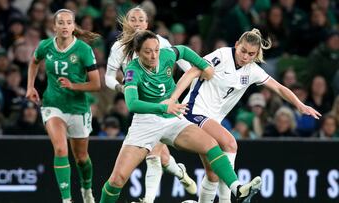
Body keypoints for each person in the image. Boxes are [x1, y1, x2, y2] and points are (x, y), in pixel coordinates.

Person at [99, 29, 262, 203]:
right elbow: (132, 104)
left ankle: (237, 188)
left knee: (211, 144)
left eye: (156, 50)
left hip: (173, 119)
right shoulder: (133, 70)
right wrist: (162, 107)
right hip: (146, 123)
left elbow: (183, 50)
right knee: (117, 180)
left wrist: (203, 65)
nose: (154, 55)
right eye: (148, 51)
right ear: (138, 53)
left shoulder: (166, 55)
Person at [169, 28, 321, 203]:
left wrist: (300, 105)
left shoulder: (252, 70)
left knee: (213, 174)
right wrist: (174, 99)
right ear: (236, 45)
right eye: (243, 51)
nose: (245, 57)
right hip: (194, 111)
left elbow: (279, 87)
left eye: (251, 54)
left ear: (255, 55)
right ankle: (230, 198)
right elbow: (193, 71)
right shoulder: (222, 55)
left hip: (212, 119)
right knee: (230, 143)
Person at [105, 7, 195, 203]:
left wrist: (192, 88)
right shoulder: (119, 47)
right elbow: (108, 78)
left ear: (147, 24)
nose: (137, 23)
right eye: (133, 19)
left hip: (165, 103)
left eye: (141, 19)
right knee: (162, 156)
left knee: (153, 153)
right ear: (126, 23)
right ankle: (180, 172)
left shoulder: (160, 42)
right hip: (141, 105)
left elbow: (186, 66)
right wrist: (122, 88)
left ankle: (148, 199)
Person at [26, 9, 100, 203]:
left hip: (78, 108)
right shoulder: (45, 46)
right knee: (60, 149)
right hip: (53, 104)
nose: (65, 26)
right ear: (54, 27)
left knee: (82, 158)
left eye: (69, 22)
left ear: (73, 26)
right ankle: (67, 200)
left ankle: (86, 190)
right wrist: (30, 86)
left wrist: (73, 85)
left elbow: (96, 84)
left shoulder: (83, 50)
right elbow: (34, 62)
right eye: (61, 23)